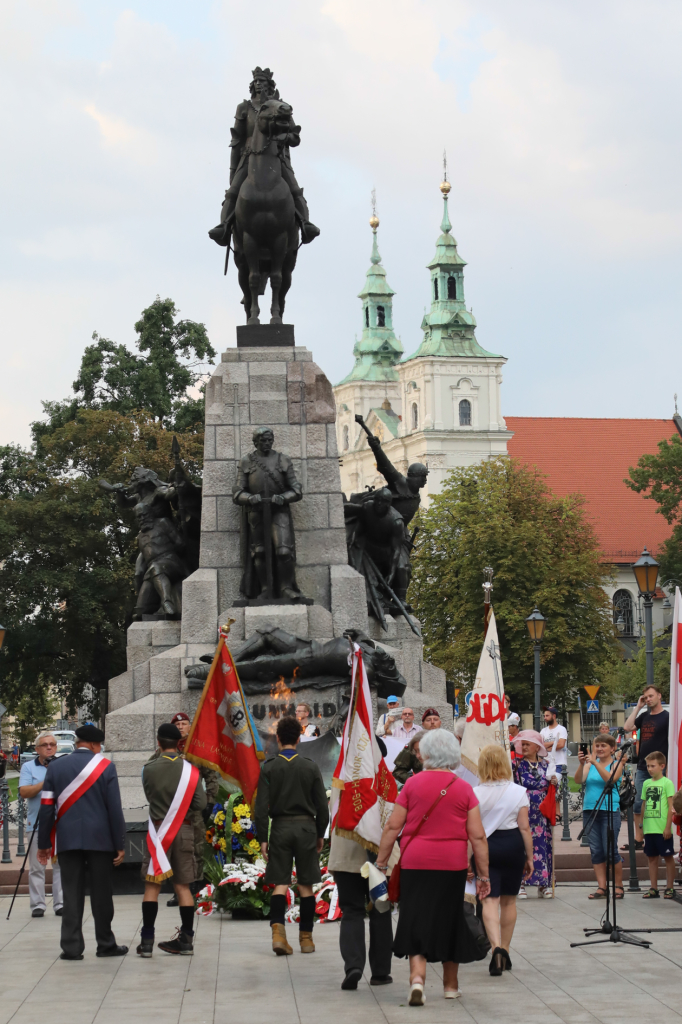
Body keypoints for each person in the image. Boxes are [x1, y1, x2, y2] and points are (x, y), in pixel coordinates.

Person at [376, 729, 490, 1006]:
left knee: (415, 917)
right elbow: (477, 836)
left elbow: (393, 826)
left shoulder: (412, 785)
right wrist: (484, 874)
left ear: (425, 754)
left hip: (416, 861)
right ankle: (450, 986)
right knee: (451, 919)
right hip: (452, 863)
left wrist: (381, 861)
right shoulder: (464, 789)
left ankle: (417, 980)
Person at [37, 724, 127, 961]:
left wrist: (44, 843)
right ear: (96, 745)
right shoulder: (106, 766)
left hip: (67, 839)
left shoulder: (55, 767)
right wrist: (119, 842)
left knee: (71, 894)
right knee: (101, 894)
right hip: (100, 839)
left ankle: (72, 948)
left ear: (77, 742)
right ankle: (106, 944)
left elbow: (46, 809)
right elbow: (114, 809)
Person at [255, 717, 329, 956]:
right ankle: (306, 939)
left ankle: (278, 935)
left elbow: (260, 807)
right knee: (306, 885)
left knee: (280, 884)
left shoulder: (269, 766)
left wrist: (262, 839)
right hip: (306, 829)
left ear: (278, 739)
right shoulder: (310, 766)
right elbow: (322, 807)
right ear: (299, 738)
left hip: (280, 829)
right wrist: (320, 833)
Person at [138, 723, 207, 956]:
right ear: (179, 743)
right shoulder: (191, 771)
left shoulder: (148, 768)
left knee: (152, 886)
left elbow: (149, 796)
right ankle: (186, 940)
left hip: (158, 833)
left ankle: (147, 941)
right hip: (185, 831)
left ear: (158, 742)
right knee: (183, 886)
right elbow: (200, 804)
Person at [474, 745, 533, 976]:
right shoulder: (518, 791)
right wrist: (530, 857)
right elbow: (525, 828)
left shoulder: (475, 793)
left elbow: (471, 829)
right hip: (512, 845)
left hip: (485, 846)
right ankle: (506, 950)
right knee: (509, 902)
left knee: (489, 900)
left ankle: (495, 948)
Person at [157, 712, 219, 908]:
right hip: (172, 810)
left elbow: (211, 777)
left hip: (193, 809)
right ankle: (179, 890)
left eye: (184, 724)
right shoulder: (164, 751)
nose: (181, 727)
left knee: (197, 849)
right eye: (178, 724)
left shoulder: (198, 750)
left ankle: (196, 889)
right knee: (176, 851)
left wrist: (209, 802)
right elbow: (150, 771)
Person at [328, 830, 394, 991]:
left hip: (345, 854)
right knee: (381, 910)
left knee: (351, 911)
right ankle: (380, 972)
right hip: (380, 854)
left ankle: (353, 966)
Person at [574, 733, 626, 900]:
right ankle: (602, 887)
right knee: (596, 850)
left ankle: (618, 885)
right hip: (591, 810)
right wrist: (582, 764)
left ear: (612, 748)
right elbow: (578, 780)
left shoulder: (616, 764)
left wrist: (595, 762)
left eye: (603, 746)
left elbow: (610, 780)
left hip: (609, 810)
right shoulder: (590, 765)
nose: (599, 749)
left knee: (610, 850)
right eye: (597, 746)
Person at [19, 733, 63, 918]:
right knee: (37, 866)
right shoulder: (28, 767)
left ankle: (60, 903)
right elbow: (24, 792)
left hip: (60, 823)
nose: (49, 747)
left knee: (60, 865)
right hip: (36, 823)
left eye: (52, 744)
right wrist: (45, 783)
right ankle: (38, 904)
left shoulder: (62, 766)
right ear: (37, 749)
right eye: (45, 744)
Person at [622, 684, 669, 850]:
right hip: (643, 766)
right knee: (638, 804)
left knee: (660, 804)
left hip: (661, 767)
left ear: (659, 696)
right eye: (646, 697)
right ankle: (638, 839)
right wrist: (638, 706)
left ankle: (662, 835)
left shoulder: (667, 717)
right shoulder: (644, 716)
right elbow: (627, 728)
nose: (648, 699)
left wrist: (667, 767)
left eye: (651, 696)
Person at [512, 731, 558, 898]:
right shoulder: (516, 764)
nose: (524, 747)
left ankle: (544, 884)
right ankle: (520, 883)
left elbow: (554, 789)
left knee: (543, 845)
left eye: (527, 744)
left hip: (542, 812)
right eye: (522, 744)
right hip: (522, 810)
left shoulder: (546, 764)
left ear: (537, 747)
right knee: (522, 846)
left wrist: (554, 783)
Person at [640, 751, 677, 899]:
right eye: (648, 766)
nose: (650, 769)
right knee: (652, 858)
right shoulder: (646, 783)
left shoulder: (667, 783)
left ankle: (670, 887)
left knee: (668, 857)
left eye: (653, 766)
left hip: (662, 828)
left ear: (662, 766)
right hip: (650, 828)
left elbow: (670, 807)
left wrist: (667, 827)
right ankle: (653, 887)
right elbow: (643, 805)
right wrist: (641, 826)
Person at [540, 708, 568, 774]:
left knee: (556, 783)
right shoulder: (543, 731)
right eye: (544, 716)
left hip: (559, 763)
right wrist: (554, 742)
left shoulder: (561, 729)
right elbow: (540, 745)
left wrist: (548, 748)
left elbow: (561, 744)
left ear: (554, 716)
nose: (545, 718)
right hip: (546, 762)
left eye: (547, 716)